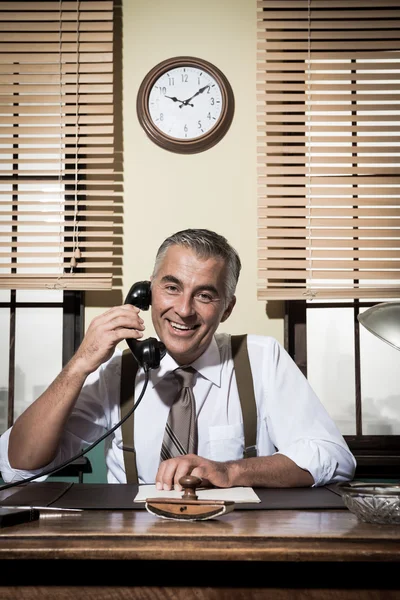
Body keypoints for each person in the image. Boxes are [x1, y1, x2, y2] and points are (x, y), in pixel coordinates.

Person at [0, 229, 356, 491]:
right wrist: (79, 364)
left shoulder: (262, 359)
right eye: (171, 288)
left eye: (204, 295)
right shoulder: (118, 374)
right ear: (147, 292)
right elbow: (17, 465)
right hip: (131, 550)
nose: (183, 310)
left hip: (239, 549)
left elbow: (334, 457)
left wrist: (231, 472)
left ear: (227, 309)